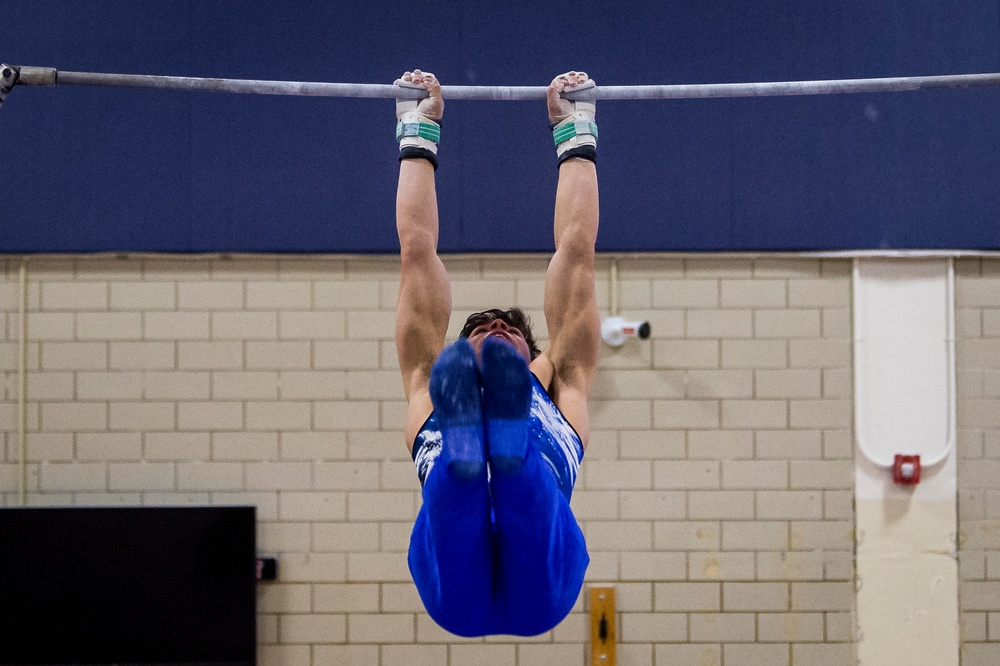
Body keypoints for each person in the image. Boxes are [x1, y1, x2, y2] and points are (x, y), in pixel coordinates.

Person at [394, 68, 601, 637]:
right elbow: (417, 251)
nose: (495, 326)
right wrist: (419, 132)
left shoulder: (564, 385)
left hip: (531, 583)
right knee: (463, 498)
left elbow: (577, 250)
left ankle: (494, 449)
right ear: (453, 350)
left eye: (508, 331)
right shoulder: (426, 379)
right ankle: (485, 451)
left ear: (535, 357)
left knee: (522, 495)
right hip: (470, 589)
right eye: (482, 327)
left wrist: (574, 132)